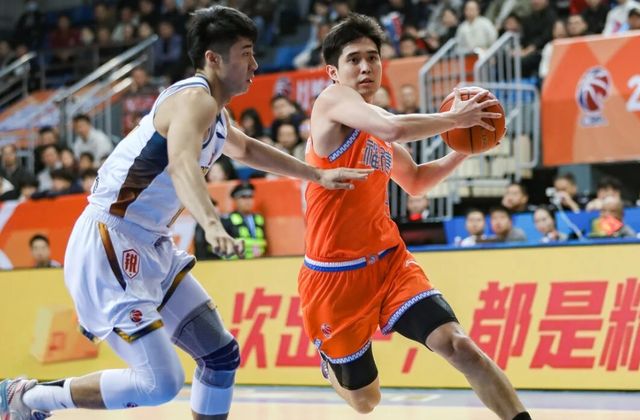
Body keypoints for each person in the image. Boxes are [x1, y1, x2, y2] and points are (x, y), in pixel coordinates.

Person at [0, 6, 370, 420]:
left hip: (149, 243)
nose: (255, 64)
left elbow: (247, 149)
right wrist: (212, 224)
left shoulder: (214, 112)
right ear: (213, 58)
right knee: (159, 384)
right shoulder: (194, 100)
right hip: (112, 241)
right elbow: (181, 164)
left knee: (220, 356)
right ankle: (27, 396)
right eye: (245, 53)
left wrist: (316, 174)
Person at [298, 14, 530, 420]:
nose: (366, 67)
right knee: (366, 402)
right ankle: (331, 367)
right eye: (354, 59)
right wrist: (457, 120)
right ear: (333, 72)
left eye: (373, 57)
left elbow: (418, 181)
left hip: (390, 264)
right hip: (334, 278)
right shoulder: (331, 102)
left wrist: (464, 149)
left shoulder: (377, 127)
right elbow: (393, 128)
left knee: (460, 346)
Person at [219, 182, 266, 258]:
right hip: (237, 261)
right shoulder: (227, 220)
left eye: (250, 197)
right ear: (236, 200)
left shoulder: (259, 218)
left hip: (259, 260)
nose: (248, 201)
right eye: (243, 197)